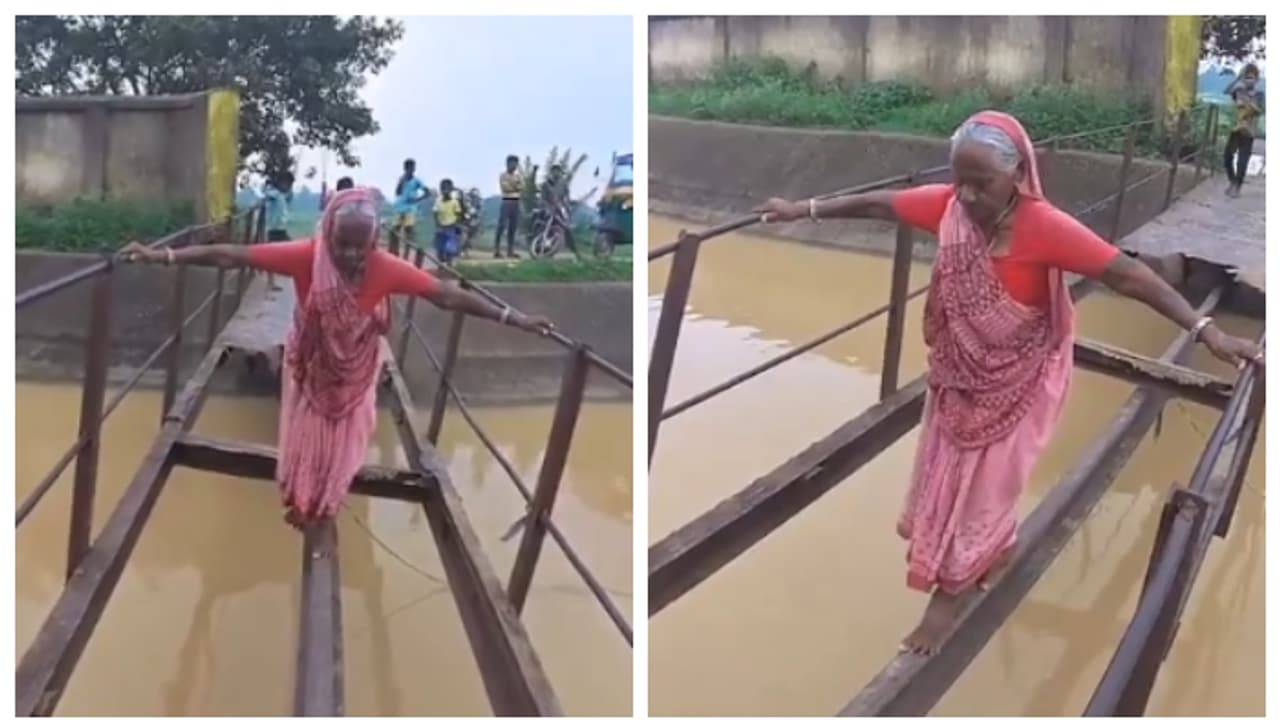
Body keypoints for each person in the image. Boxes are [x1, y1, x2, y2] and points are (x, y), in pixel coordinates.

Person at [755, 110, 1263, 656]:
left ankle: (948, 597)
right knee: (946, 475)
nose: (969, 196)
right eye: (960, 180)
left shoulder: (1045, 227)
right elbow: (882, 204)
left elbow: (1130, 276)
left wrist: (1207, 332)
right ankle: (989, 551)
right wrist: (802, 210)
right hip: (959, 379)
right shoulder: (950, 210)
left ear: (1018, 174)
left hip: (1019, 380)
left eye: (983, 182)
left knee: (989, 487)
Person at [117, 188, 554, 527]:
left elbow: (446, 296)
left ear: (373, 242)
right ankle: (301, 501)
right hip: (310, 366)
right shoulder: (307, 256)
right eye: (342, 244)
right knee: (306, 438)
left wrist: (514, 318)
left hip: (355, 371)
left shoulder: (385, 268)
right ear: (328, 233)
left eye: (359, 247)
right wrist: (163, 255)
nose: (349, 255)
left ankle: (325, 505)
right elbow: (231, 255)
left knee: (343, 445)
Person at [1223, 63, 1263, 197]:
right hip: (1236, 128)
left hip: (1249, 130)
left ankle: (1237, 187)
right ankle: (1232, 181)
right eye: (1247, 77)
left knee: (1242, 161)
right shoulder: (1239, 91)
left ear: (1256, 79)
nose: (1249, 80)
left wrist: (1250, 106)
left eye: (1251, 77)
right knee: (1227, 157)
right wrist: (1237, 79)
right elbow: (1226, 91)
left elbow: (1262, 110)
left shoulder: (1259, 95)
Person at [392, 159, 428, 250]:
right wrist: (401, 182)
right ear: (404, 168)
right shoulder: (401, 179)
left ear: (414, 168)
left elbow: (427, 192)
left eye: (412, 167)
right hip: (399, 207)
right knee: (395, 229)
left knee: (408, 229)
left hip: (410, 208)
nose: (410, 169)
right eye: (407, 168)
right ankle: (394, 251)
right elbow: (397, 192)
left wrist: (417, 199)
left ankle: (406, 252)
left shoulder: (417, 181)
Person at [496, 154, 523, 258]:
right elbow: (506, 188)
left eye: (516, 164)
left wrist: (514, 186)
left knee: (513, 227)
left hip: (516, 203)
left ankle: (510, 251)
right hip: (506, 202)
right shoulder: (503, 175)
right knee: (501, 226)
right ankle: (497, 250)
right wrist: (516, 186)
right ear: (507, 164)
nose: (514, 166)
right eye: (512, 163)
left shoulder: (517, 176)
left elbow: (521, 187)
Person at [433, 178, 464, 265]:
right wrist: (437, 224)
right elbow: (435, 213)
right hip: (441, 226)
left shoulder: (454, 202)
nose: (445, 190)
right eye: (443, 188)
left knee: (450, 249)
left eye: (447, 188)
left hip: (451, 226)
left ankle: (449, 265)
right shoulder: (438, 201)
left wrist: (457, 224)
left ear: (451, 190)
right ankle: (440, 264)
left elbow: (458, 214)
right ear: (441, 190)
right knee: (440, 249)